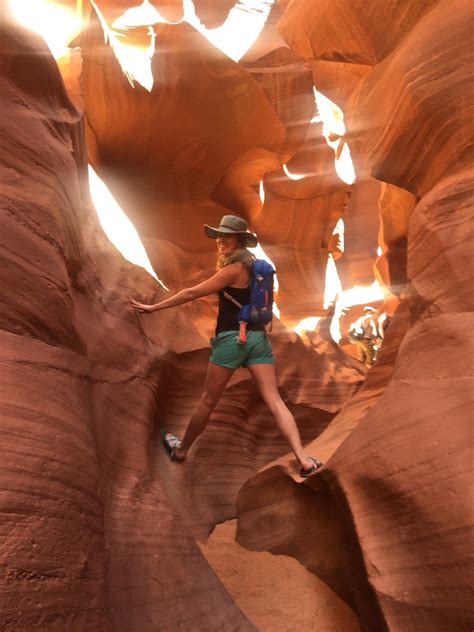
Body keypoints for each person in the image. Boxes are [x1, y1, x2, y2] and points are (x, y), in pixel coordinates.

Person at [129, 214, 323, 477]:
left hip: (232, 339)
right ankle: (304, 460)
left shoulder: (232, 269)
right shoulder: (256, 267)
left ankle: (182, 450)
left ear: (239, 240)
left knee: (208, 400)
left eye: (227, 235)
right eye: (219, 235)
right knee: (275, 400)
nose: (221, 240)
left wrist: (154, 306)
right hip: (257, 339)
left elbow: (192, 292)